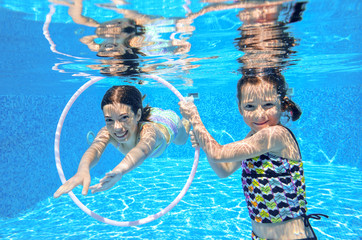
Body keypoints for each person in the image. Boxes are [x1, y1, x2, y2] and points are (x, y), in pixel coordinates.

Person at [179, 69, 328, 240]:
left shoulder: (276, 135)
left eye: (268, 105)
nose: (259, 114)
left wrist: (194, 118)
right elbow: (224, 170)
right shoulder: (253, 137)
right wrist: (203, 143)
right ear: (240, 108)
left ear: (282, 104)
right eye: (250, 106)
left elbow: (218, 153)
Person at [54, 85, 190, 198]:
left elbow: (141, 150)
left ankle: (187, 114)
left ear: (137, 115)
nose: (117, 127)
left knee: (182, 141)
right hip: (144, 115)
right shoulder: (108, 131)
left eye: (124, 118)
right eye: (109, 120)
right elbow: (95, 148)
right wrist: (83, 169)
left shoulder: (149, 132)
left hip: (168, 122)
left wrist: (119, 171)